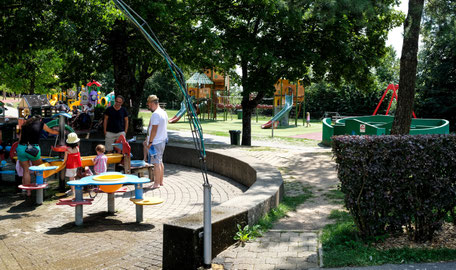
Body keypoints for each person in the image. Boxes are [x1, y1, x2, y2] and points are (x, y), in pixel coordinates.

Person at [17, 115, 59, 196]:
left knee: (26, 170)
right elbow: (51, 131)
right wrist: (60, 132)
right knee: (38, 168)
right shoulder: (41, 124)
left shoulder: (25, 124)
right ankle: (39, 187)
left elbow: (20, 138)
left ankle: (28, 192)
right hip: (33, 148)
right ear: (40, 119)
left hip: (21, 148)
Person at [143, 95, 168, 188]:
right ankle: (161, 181)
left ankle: (156, 183)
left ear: (153, 103)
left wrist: (150, 142)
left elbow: (154, 130)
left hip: (156, 142)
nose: (148, 106)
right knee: (160, 161)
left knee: (156, 163)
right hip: (162, 140)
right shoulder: (163, 112)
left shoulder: (156, 114)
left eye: (149, 104)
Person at [63, 132, 82, 197]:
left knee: (71, 178)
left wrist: (63, 163)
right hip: (75, 165)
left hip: (70, 166)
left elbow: (65, 158)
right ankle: (73, 189)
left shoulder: (67, 149)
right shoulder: (77, 148)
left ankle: (72, 191)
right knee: (73, 176)